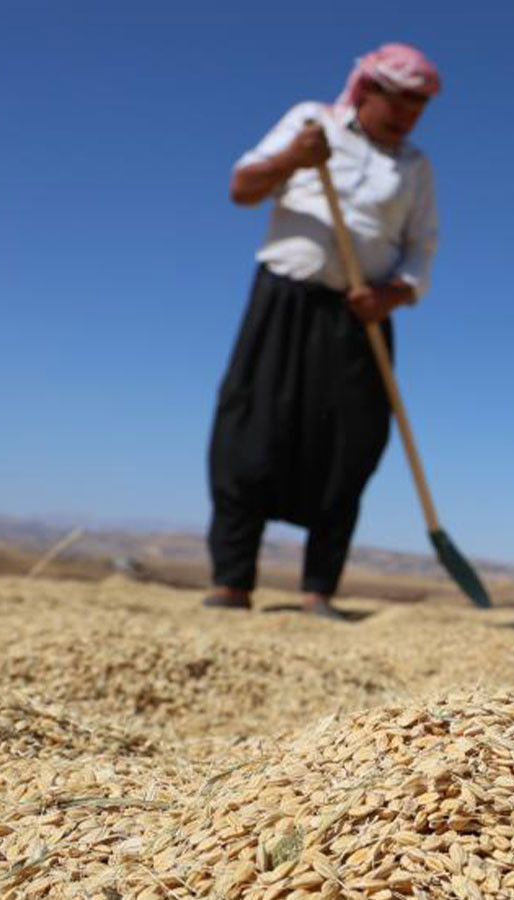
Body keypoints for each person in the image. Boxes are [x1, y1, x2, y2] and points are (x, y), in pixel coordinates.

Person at [204, 43, 441, 618]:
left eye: (419, 104)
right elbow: (243, 188)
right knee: (251, 434)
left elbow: (420, 254)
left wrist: (387, 295)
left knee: (349, 447)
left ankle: (318, 591)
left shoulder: (413, 168)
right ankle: (233, 582)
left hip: (361, 321)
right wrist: (293, 158)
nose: (408, 112)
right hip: (284, 299)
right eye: (399, 99)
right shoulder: (312, 123)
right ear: (367, 89)